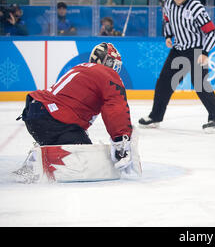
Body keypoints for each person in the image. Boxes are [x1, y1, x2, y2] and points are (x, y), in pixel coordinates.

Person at [15, 43, 139, 181]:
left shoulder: (80, 68)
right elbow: (116, 107)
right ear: (105, 60)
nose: (114, 69)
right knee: (85, 159)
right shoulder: (106, 74)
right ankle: (39, 164)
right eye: (112, 63)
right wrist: (121, 140)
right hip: (53, 119)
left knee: (75, 143)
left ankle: (39, 156)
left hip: (35, 113)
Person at [138, 0, 215, 132]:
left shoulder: (196, 7)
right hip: (178, 49)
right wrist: (168, 36)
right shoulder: (168, 4)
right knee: (164, 82)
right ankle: (155, 116)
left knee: (200, 84)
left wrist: (205, 52)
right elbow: (167, 21)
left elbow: (213, 33)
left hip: (197, 49)